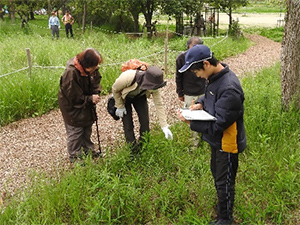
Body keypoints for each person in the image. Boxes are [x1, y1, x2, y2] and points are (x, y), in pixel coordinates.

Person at [177, 44, 246, 225]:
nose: (196, 75)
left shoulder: (230, 88)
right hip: (216, 142)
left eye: (196, 72)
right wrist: (200, 103)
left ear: (206, 64)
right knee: (217, 176)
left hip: (227, 142)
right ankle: (223, 209)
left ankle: (225, 219)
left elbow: (219, 125)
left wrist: (192, 123)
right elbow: (210, 98)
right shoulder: (214, 78)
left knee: (225, 181)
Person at [112, 66, 173, 155]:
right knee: (128, 123)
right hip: (125, 98)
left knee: (145, 121)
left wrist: (164, 126)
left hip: (140, 97)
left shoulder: (155, 85)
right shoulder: (128, 77)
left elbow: (159, 104)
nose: (155, 89)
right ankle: (132, 150)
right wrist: (119, 105)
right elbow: (115, 89)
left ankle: (144, 146)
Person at [58, 48, 103, 162]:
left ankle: (88, 149)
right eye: (94, 66)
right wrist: (90, 99)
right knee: (76, 130)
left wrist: (95, 92)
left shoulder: (91, 69)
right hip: (72, 107)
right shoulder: (71, 73)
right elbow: (73, 97)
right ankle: (75, 155)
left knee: (87, 126)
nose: (96, 68)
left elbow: (96, 80)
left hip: (86, 103)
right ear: (87, 64)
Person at [176, 36, 206, 149]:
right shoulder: (181, 58)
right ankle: (194, 145)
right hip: (189, 92)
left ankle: (205, 140)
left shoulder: (204, 57)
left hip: (203, 90)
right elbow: (178, 76)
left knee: (204, 115)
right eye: (192, 48)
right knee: (191, 117)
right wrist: (180, 92)